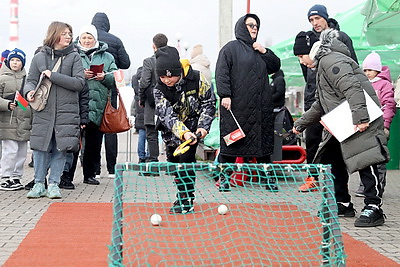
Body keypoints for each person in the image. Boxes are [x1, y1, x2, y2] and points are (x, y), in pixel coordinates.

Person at [292, 29, 389, 227]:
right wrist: (301, 124)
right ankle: (343, 202)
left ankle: (374, 206)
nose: (301, 61)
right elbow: (320, 104)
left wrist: (361, 118)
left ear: (311, 51)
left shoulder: (331, 60)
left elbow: (352, 87)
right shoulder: (322, 67)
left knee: (365, 160)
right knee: (332, 157)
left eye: (301, 56)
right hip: (344, 122)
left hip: (360, 119)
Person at [296, 4, 359, 192]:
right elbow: (307, 70)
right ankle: (313, 177)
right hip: (314, 100)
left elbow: (352, 66)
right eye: (311, 20)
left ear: (326, 17)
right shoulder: (308, 40)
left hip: (337, 101)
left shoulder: (341, 38)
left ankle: (339, 191)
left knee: (336, 147)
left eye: (317, 18)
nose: (315, 23)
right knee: (313, 140)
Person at [215, 13, 281, 192]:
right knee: (231, 144)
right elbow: (222, 73)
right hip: (237, 107)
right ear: (241, 27)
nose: (254, 28)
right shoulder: (230, 48)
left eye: (256, 26)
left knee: (263, 146)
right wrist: (225, 94)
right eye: (251, 25)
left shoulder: (260, 50)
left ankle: (268, 179)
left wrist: (265, 51)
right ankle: (224, 178)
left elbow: (276, 66)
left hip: (260, 108)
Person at [25, 21, 85, 199]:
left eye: (69, 33)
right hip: (43, 110)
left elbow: (79, 83)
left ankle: (54, 184)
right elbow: (30, 80)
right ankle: (38, 183)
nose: (68, 36)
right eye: (65, 33)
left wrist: (54, 75)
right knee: (40, 148)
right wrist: (28, 91)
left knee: (61, 148)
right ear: (54, 34)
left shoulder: (75, 57)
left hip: (66, 112)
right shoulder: (39, 57)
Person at [153, 46, 216, 214]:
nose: (167, 80)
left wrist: (203, 126)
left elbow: (209, 103)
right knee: (174, 165)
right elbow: (166, 114)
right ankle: (182, 191)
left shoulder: (196, 78)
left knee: (186, 164)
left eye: (171, 76)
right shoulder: (159, 88)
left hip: (193, 131)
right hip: (171, 133)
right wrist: (182, 132)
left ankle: (186, 199)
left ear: (178, 71)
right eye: (163, 76)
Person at [76, 24, 118, 185]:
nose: (86, 41)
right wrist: (81, 74)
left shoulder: (107, 57)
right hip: (78, 102)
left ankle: (90, 174)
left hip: (99, 104)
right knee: (74, 142)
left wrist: (104, 76)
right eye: (84, 37)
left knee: (94, 142)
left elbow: (116, 76)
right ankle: (67, 176)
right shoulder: (73, 54)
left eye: (90, 37)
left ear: (95, 39)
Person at [92, 12, 131, 178]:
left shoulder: (84, 39)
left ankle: (94, 170)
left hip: (91, 89)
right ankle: (111, 168)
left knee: (92, 127)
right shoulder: (115, 40)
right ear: (107, 24)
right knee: (110, 126)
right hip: (110, 89)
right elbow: (126, 63)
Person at [354, 52, 396, 197]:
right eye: (364, 70)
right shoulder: (362, 85)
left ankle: (379, 185)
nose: (367, 73)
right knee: (364, 158)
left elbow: (389, 105)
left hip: (379, 126)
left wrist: (385, 124)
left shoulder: (385, 85)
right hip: (365, 126)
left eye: (370, 70)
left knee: (379, 158)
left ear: (377, 70)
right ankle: (365, 186)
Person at [0, 48, 30, 191]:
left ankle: (17, 176)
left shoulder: (27, 78)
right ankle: (5, 177)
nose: (15, 63)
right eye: (12, 60)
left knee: (22, 152)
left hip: (23, 121)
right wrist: (6, 104)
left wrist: (25, 106)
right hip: (7, 120)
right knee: (9, 151)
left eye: (18, 60)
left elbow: (28, 101)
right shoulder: (2, 78)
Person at [139, 33, 168, 165]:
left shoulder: (149, 61)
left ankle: (153, 163)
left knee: (151, 135)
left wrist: (141, 98)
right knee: (169, 134)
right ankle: (172, 164)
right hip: (168, 102)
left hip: (152, 103)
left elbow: (144, 82)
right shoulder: (172, 61)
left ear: (153, 46)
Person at [59, 81, 89, 190]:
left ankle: (66, 175)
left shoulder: (80, 80)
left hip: (72, 117)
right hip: (55, 115)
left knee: (70, 148)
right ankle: (41, 177)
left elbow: (84, 100)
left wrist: (83, 119)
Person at [131, 66, 148, 163]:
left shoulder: (135, 77)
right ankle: (149, 156)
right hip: (149, 105)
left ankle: (141, 157)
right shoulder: (149, 75)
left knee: (141, 133)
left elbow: (135, 90)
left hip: (139, 105)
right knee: (150, 135)